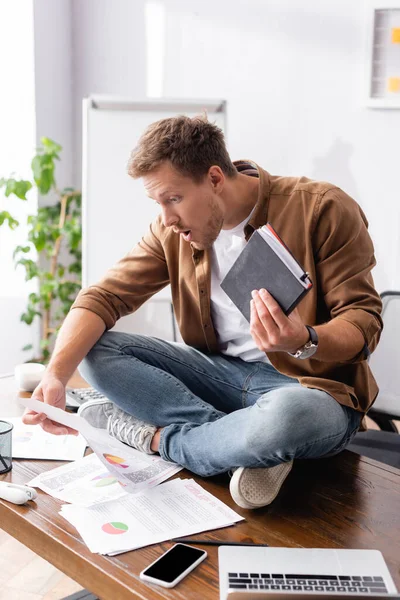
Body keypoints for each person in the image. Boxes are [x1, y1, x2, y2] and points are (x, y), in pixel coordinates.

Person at [23, 115, 383, 509]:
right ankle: (237, 445)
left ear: (214, 178)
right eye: (157, 202)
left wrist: (304, 340)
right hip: (217, 379)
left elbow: (363, 323)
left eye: (173, 198)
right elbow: (103, 297)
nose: (166, 218)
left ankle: (155, 438)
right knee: (94, 350)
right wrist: (56, 375)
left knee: (286, 420)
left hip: (310, 390)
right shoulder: (170, 231)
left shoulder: (322, 208)